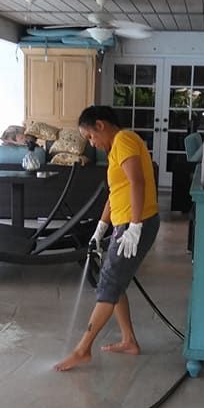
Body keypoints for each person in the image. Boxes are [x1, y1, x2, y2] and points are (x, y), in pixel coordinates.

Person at [54, 105, 159, 371]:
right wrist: (100, 228)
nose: (92, 143)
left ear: (100, 125)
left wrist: (135, 226)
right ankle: (128, 340)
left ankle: (82, 350)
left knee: (109, 285)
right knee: (113, 281)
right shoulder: (116, 149)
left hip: (135, 224)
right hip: (126, 223)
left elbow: (137, 182)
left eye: (90, 136)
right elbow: (116, 193)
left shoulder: (123, 140)